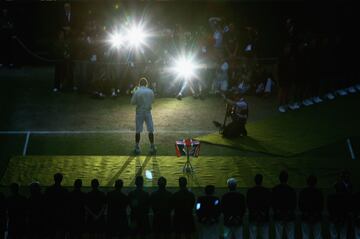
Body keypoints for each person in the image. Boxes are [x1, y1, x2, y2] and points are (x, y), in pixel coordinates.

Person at [130, 77, 156, 155]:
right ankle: (152, 146)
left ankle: (137, 147)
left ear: (139, 84)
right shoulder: (150, 91)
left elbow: (132, 103)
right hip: (148, 112)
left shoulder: (137, 91)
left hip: (139, 112)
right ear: (146, 84)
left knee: (138, 130)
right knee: (150, 130)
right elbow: (153, 101)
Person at [272, 170, 297, 239]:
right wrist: (288, 214)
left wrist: (279, 213)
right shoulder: (291, 190)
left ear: (279, 178)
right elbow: (294, 204)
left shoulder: (275, 189)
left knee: (278, 235)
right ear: (287, 178)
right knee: (290, 236)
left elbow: (273, 204)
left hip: (278, 216)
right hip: (289, 216)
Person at [298, 175, 324, 239]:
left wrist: (306, 214)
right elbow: (321, 206)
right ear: (315, 182)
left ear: (307, 182)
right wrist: (315, 214)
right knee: (317, 236)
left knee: (305, 236)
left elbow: (300, 205)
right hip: (316, 217)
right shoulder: (319, 192)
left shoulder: (303, 192)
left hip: (305, 217)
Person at [247, 174, 272, 239]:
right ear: (262, 180)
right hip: (264, 216)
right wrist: (262, 213)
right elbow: (268, 204)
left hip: (253, 216)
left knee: (253, 235)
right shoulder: (266, 191)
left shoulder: (250, 191)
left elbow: (249, 204)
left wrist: (255, 213)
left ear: (255, 180)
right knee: (265, 235)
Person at [44, 172, 68, 238]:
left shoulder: (49, 190)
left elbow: (46, 203)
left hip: (51, 215)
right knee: (61, 233)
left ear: (54, 179)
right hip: (61, 215)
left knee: (51, 233)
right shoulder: (64, 190)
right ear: (61, 179)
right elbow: (66, 204)